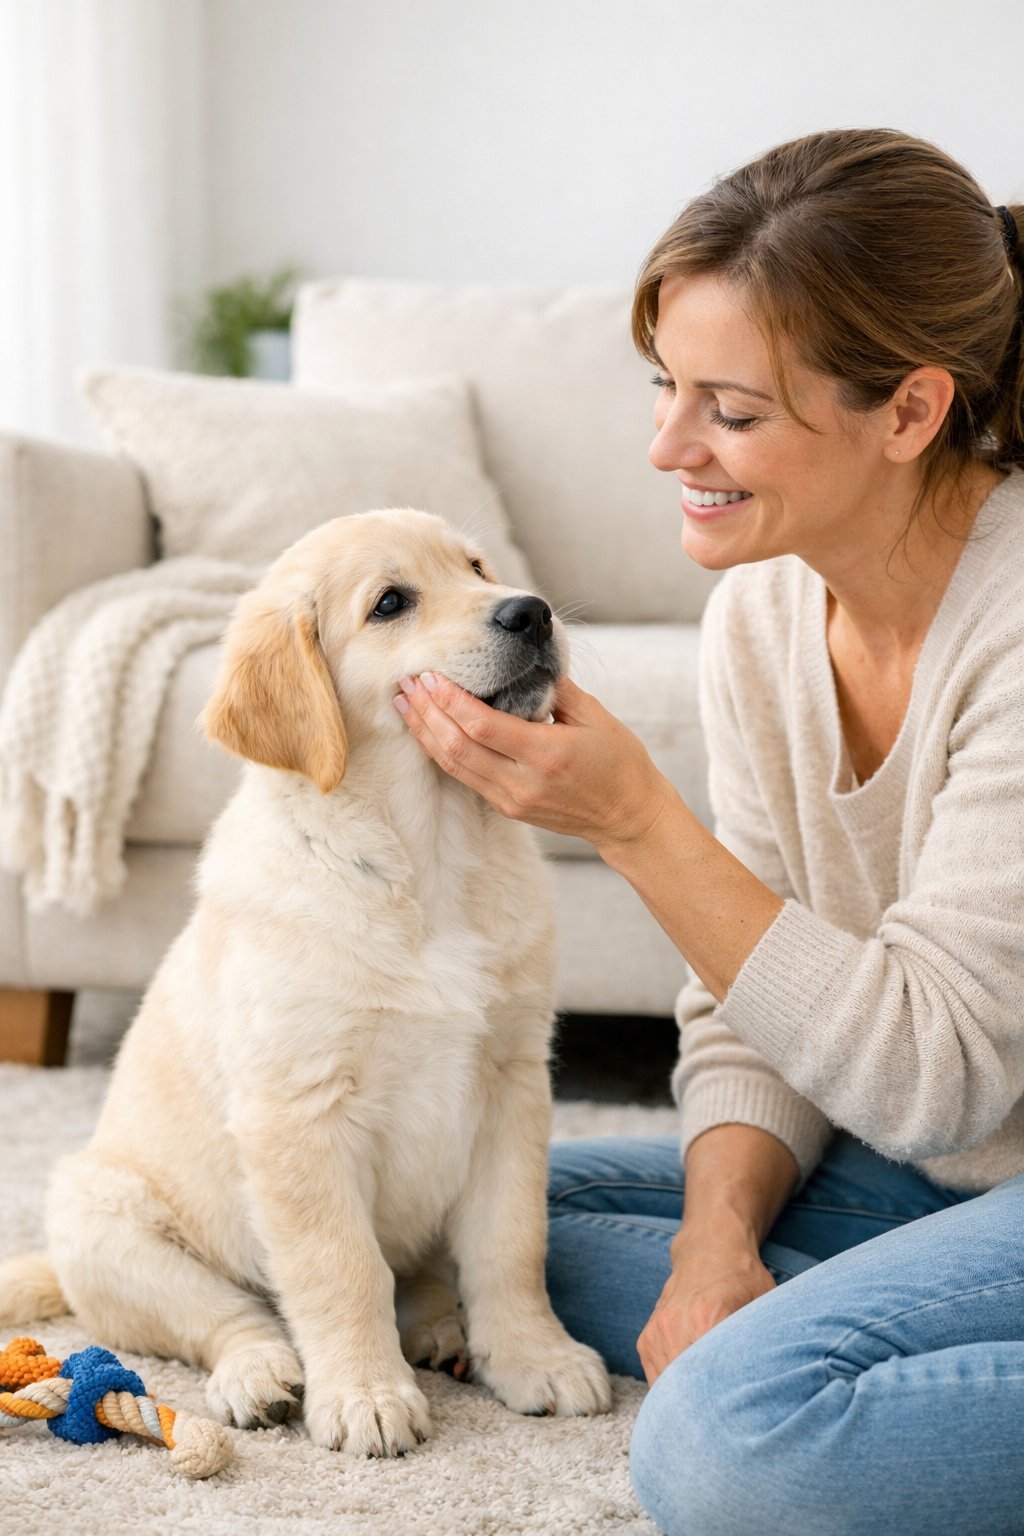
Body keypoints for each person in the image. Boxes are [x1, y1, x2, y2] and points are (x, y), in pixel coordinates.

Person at [391, 127, 1024, 1535]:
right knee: (439, 1213)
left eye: (728, 410)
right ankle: (874, 1333)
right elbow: (765, 1006)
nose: (669, 447)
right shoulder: (763, 614)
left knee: (734, 1440)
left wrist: (630, 819)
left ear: (912, 411)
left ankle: (832, 1362)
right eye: (666, 389)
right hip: (945, 1172)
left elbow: (941, 1074)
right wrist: (716, 1244)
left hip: (968, 1126)